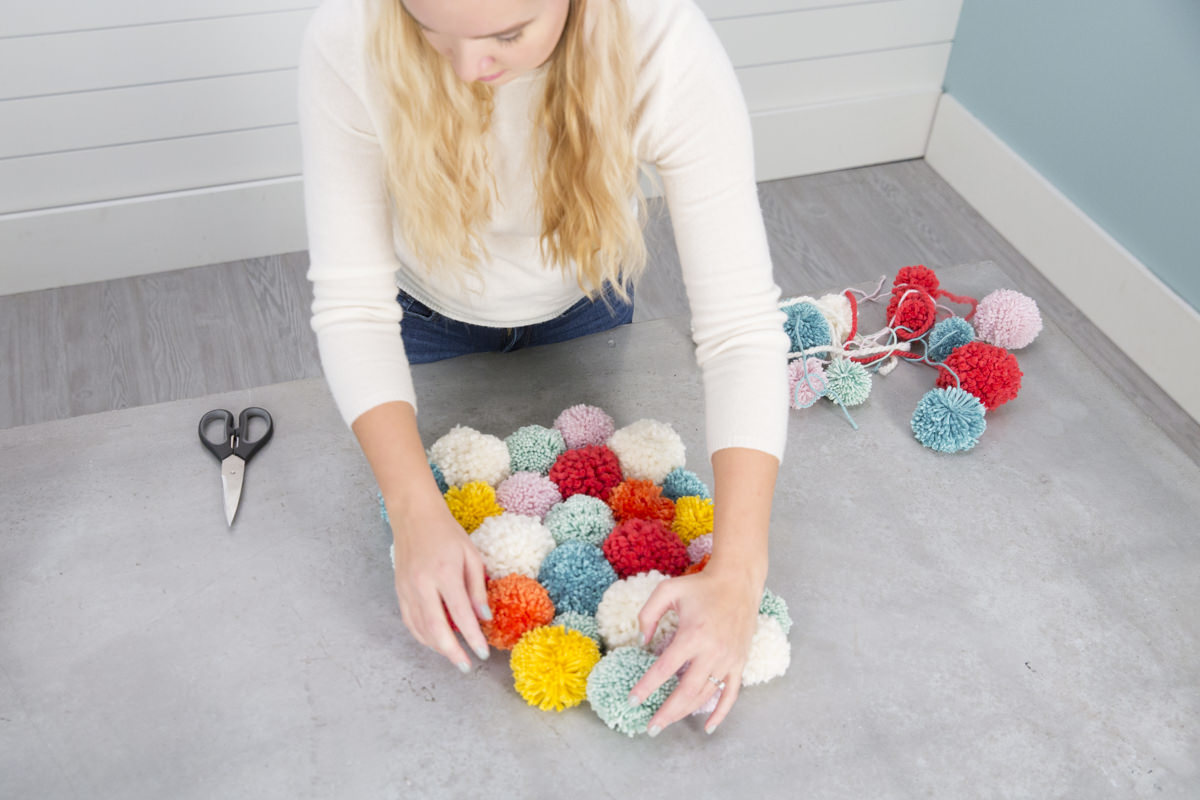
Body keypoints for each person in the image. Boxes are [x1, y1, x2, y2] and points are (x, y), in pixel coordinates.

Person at [298, 0, 789, 736]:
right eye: (432, 33)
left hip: (585, 310)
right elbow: (353, 308)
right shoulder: (349, 33)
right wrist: (413, 511)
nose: (469, 69)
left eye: (507, 35)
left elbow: (742, 327)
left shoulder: (663, 41)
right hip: (421, 325)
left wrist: (740, 572)